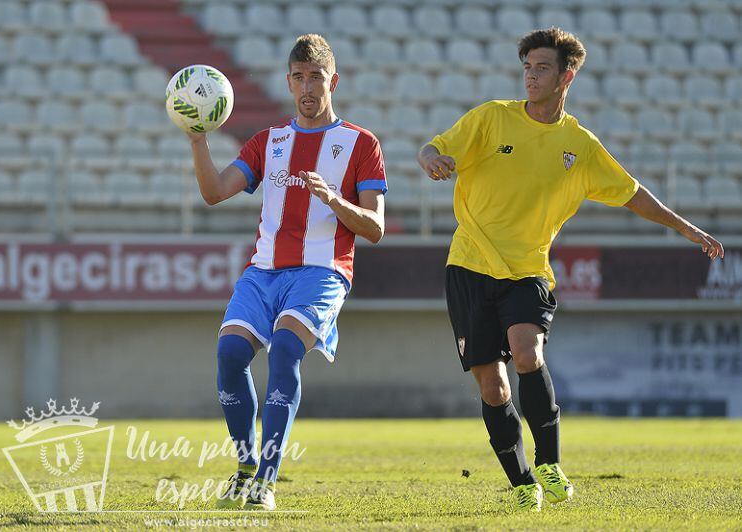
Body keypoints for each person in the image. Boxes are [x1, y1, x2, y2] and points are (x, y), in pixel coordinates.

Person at [417, 27, 724, 512]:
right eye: (527, 67)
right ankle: (521, 483)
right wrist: (435, 161)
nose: (531, 76)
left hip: (528, 271)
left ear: (567, 76)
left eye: (541, 68)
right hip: (470, 267)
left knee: (526, 351)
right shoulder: (492, 119)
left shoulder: (579, 145)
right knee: (493, 385)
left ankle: (550, 462)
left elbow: (633, 193)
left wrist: (688, 229)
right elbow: (431, 148)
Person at [186, 34, 387, 510]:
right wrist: (198, 140)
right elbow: (214, 191)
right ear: (288, 82)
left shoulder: (360, 144)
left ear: (332, 80)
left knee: (284, 353)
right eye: (298, 78)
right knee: (230, 355)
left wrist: (334, 200)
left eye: (315, 77)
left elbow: (375, 227)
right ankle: (244, 466)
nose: (307, 88)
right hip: (264, 271)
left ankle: (267, 481)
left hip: (322, 272)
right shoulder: (268, 142)